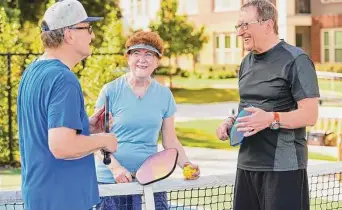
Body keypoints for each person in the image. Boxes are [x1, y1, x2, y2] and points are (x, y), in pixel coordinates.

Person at [216, 1, 320, 210]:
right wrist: (231, 122)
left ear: (268, 24)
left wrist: (271, 119)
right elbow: (249, 108)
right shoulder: (246, 62)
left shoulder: (296, 59)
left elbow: (310, 115)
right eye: (238, 26)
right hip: (247, 165)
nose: (240, 32)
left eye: (246, 25)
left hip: (283, 168)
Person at [16, 0, 117, 210]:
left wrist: (87, 127)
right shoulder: (63, 79)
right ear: (69, 35)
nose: (93, 35)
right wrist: (104, 139)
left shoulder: (33, 71)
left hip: (41, 196)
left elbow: (47, 132)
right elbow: (62, 146)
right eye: (88, 29)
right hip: (63, 200)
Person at [94, 30, 200, 210]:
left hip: (151, 179)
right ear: (128, 58)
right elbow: (96, 139)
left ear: (157, 61)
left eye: (149, 54)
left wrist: (186, 164)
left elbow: (170, 140)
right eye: (136, 53)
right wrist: (116, 169)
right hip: (111, 183)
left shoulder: (164, 95)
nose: (142, 59)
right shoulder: (110, 91)